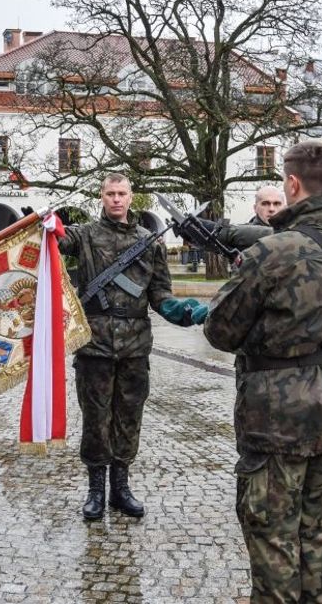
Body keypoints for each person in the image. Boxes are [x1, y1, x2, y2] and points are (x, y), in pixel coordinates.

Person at [202, 141, 322, 604]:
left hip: (279, 412)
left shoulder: (271, 252)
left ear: (292, 184)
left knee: (274, 534)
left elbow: (221, 330)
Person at [58, 173, 198, 521]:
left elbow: (160, 292)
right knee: (95, 418)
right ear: (101, 196)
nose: (116, 199)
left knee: (129, 417)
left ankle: (121, 487)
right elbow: (57, 241)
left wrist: (176, 311)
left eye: (122, 193)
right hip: (94, 344)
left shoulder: (149, 242)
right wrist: (47, 225)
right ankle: (95, 489)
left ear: (131, 197)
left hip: (135, 345)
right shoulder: (86, 235)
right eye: (110, 194)